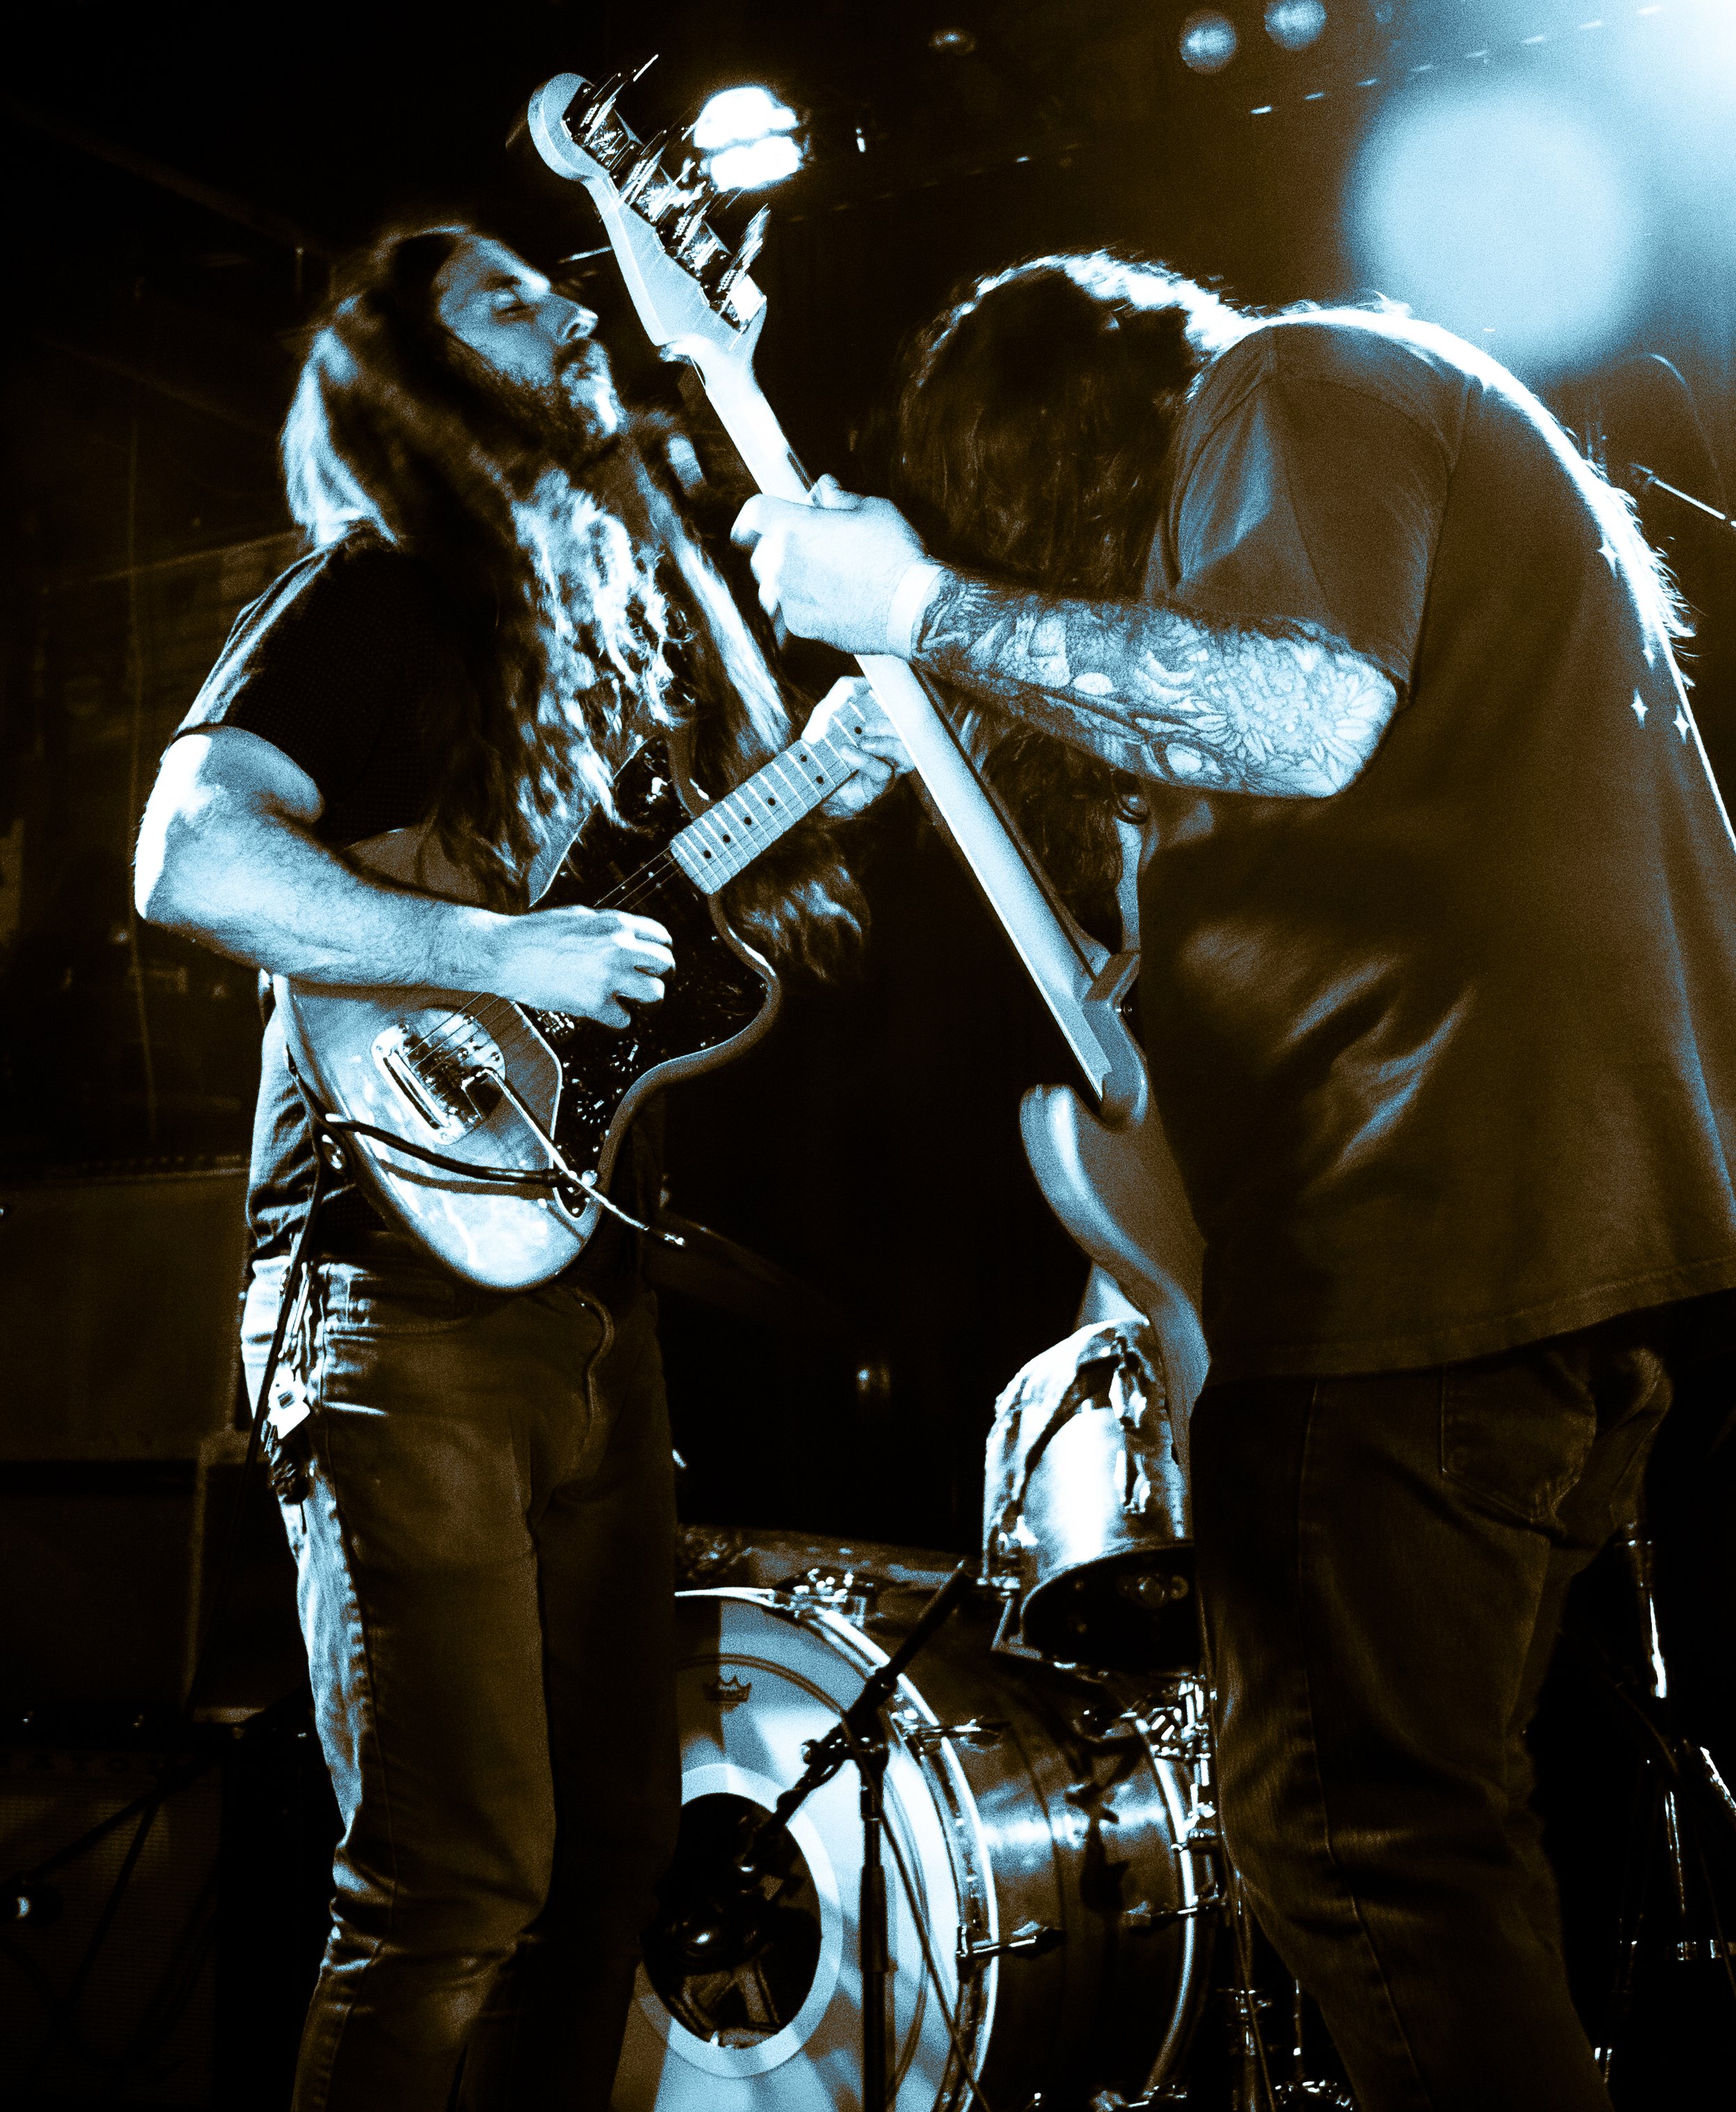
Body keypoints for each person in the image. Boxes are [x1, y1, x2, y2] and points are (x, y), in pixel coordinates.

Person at [733, 253, 1736, 2110]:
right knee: (1438, 1834)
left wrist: (925, 601)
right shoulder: (1365, 463)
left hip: (1430, 1230)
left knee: (1351, 1844)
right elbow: (1253, 878)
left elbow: (1299, 716)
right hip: (1549, 1233)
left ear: (1052, 450)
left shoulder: (1290, 384)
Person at [134, 222, 903, 2112]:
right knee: (450, 1880)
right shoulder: (375, 591)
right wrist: (493, 951)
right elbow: (187, 855)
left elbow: (661, 939)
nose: (565, 305)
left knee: (613, 1857)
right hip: (386, 1289)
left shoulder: (598, 640)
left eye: (557, 289)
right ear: (414, 380)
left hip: (583, 1292)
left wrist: (827, 773)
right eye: (499, 295)